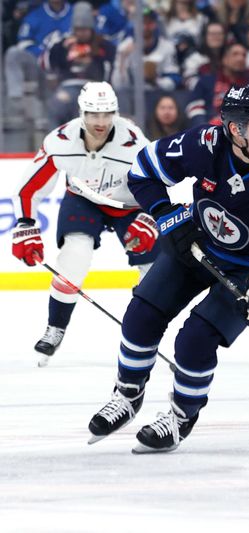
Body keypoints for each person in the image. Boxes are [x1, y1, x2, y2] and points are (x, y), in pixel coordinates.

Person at [87, 85, 249, 453]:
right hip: (195, 244)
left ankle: (181, 416)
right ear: (235, 129)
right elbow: (144, 170)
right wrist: (165, 215)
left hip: (248, 268)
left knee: (195, 339)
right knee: (141, 315)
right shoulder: (205, 144)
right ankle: (128, 395)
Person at [11, 81, 156, 367]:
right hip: (84, 200)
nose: (100, 122)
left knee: (153, 272)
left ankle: (144, 329)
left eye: (106, 114)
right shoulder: (60, 141)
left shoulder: (134, 141)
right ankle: (56, 328)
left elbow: (159, 180)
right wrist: (26, 224)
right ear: (81, 113)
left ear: (115, 112)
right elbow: (29, 189)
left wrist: (150, 217)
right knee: (73, 258)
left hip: (129, 207)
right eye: (92, 114)